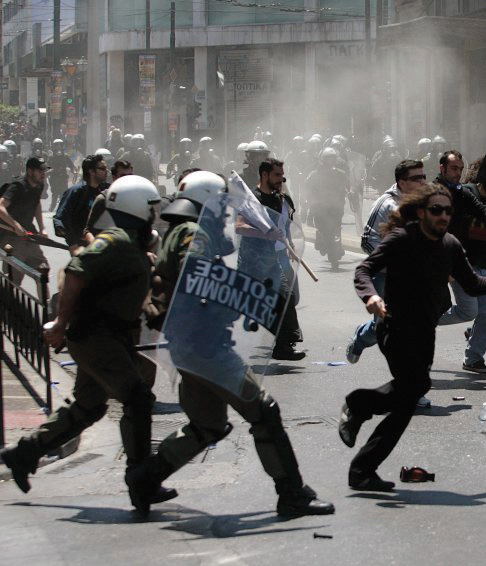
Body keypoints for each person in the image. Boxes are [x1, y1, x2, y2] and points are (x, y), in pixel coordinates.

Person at [128, 170, 334, 517]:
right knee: (263, 411)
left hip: (188, 344)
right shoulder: (195, 235)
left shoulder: (178, 231)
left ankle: (145, 479)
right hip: (206, 346)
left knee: (207, 425)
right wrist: (234, 295)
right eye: (222, 206)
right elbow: (196, 277)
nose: (226, 214)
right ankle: (292, 493)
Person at [0, 176, 171, 515]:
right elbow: (77, 271)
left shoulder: (130, 241)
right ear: (137, 207)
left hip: (107, 338)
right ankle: (141, 481)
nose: (156, 214)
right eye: (152, 208)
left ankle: (24, 454)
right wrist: (60, 324)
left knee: (89, 405)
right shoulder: (115, 240)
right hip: (97, 337)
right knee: (137, 398)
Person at [338, 183, 486, 491]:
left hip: (425, 331)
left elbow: (474, 284)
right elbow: (364, 270)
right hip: (395, 329)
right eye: (436, 210)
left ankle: (361, 438)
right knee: (412, 390)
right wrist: (370, 297)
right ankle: (359, 422)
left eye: (447, 210)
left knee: (411, 395)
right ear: (421, 212)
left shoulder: (450, 245)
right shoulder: (401, 239)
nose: (443, 215)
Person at [347, 159, 427, 365]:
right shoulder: (387, 204)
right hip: (386, 276)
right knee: (383, 326)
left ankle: (412, 382)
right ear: (402, 182)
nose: (422, 181)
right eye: (416, 178)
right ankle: (360, 338)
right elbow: (367, 240)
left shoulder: (424, 203)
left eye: (423, 176)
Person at [434, 151, 486, 374]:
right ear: (442, 168)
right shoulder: (432, 192)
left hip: (467, 262)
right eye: (454, 168)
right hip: (443, 261)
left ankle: (473, 358)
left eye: (460, 169)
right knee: (463, 309)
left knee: (482, 311)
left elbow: (483, 214)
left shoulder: (461, 193)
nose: (457, 173)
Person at [249, 158, 306, 361]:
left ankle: (283, 339)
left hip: (280, 255)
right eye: (277, 175)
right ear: (264, 175)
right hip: (258, 259)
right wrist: (265, 233)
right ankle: (285, 343)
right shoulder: (253, 200)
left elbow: (285, 225)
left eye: (282, 175)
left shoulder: (280, 198)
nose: (282, 179)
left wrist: (289, 244)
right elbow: (239, 226)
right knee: (284, 297)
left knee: (291, 296)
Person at [0, 157, 50, 284]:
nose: (43, 173)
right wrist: (15, 225)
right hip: (11, 237)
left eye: (44, 170)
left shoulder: (39, 185)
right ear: (30, 171)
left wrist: (42, 227)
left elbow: (36, 203)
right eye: (40, 171)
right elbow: (1, 207)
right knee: (15, 279)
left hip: (28, 235)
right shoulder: (17, 186)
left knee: (42, 269)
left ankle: (46, 303)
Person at [53, 155, 110, 255]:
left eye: (106, 168)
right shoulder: (76, 192)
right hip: (82, 246)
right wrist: (73, 244)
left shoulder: (106, 190)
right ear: (91, 171)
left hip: (104, 245)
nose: (107, 171)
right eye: (102, 168)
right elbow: (62, 218)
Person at [305, 147, 349, 268]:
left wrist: (351, 192)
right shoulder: (314, 174)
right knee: (323, 229)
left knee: (337, 228)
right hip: (320, 208)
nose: (330, 161)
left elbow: (346, 186)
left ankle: (337, 246)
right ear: (322, 160)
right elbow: (308, 189)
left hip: (336, 207)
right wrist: (312, 204)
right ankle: (320, 238)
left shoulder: (340, 174)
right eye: (328, 159)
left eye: (332, 159)